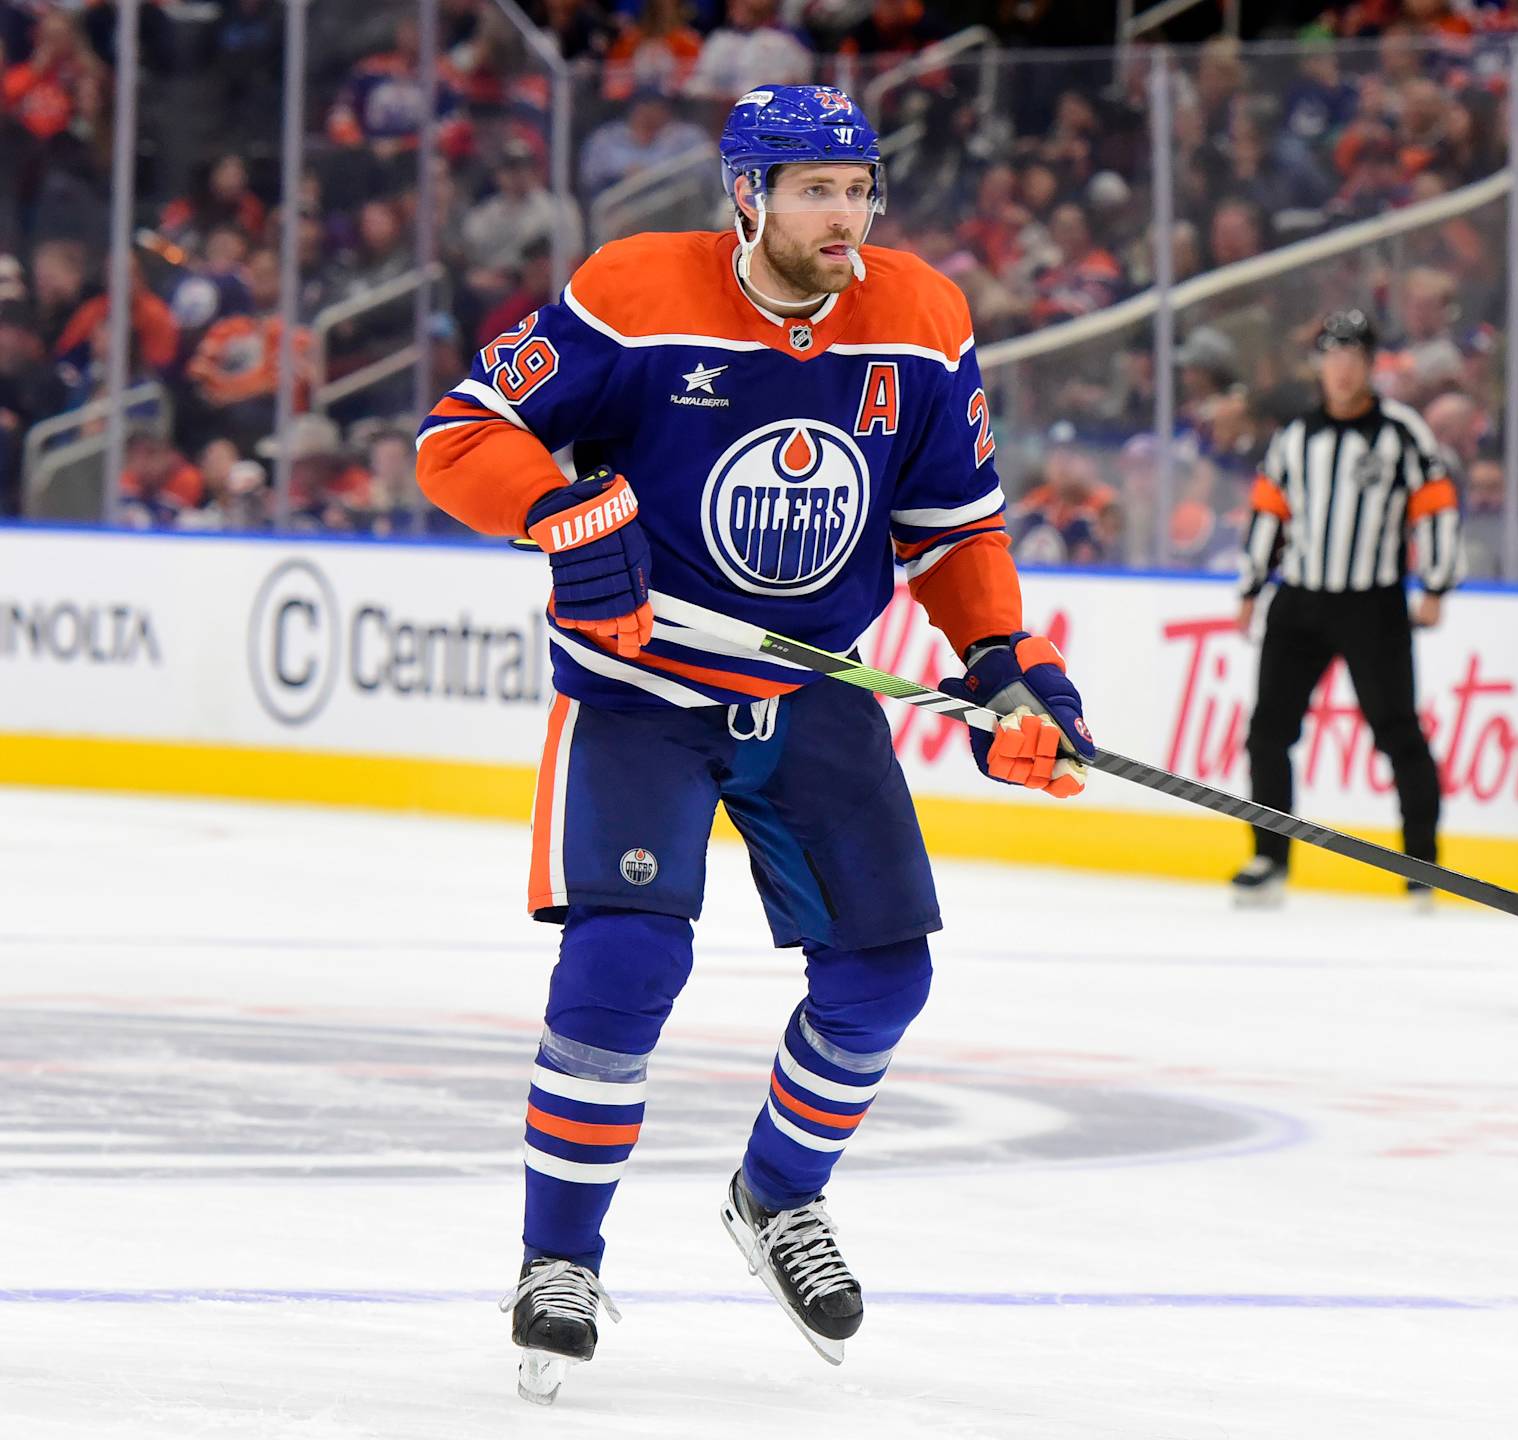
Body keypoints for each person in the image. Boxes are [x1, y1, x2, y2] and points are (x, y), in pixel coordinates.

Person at [414, 84, 1095, 1403]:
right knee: (623, 968)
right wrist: (561, 512)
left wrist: (1010, 666)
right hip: (638, 690)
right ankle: (558, 1261)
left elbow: (955, 532)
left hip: (809, 693)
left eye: (861, 189)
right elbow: (459, 437)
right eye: (815, 191)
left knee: (884, 982)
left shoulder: (922, 321)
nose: (847, 216)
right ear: (747, 196)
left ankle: (779, 1197)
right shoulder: (633, 290)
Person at [1230, 310, 1462, 909]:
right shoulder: (1295, 437)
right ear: (1321, 366)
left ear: (1369, 366)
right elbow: (1268, 514)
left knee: (1398, 731)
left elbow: (1434, 507)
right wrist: (1251, 587)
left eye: (1353, 358)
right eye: (1332, 357)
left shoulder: (1402, 431)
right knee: (1268, 732)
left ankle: (1421, 865)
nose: (1342, 369)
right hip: (1300, 598)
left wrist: (1435, 586)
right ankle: (1269, 855)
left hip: (1373, 604)